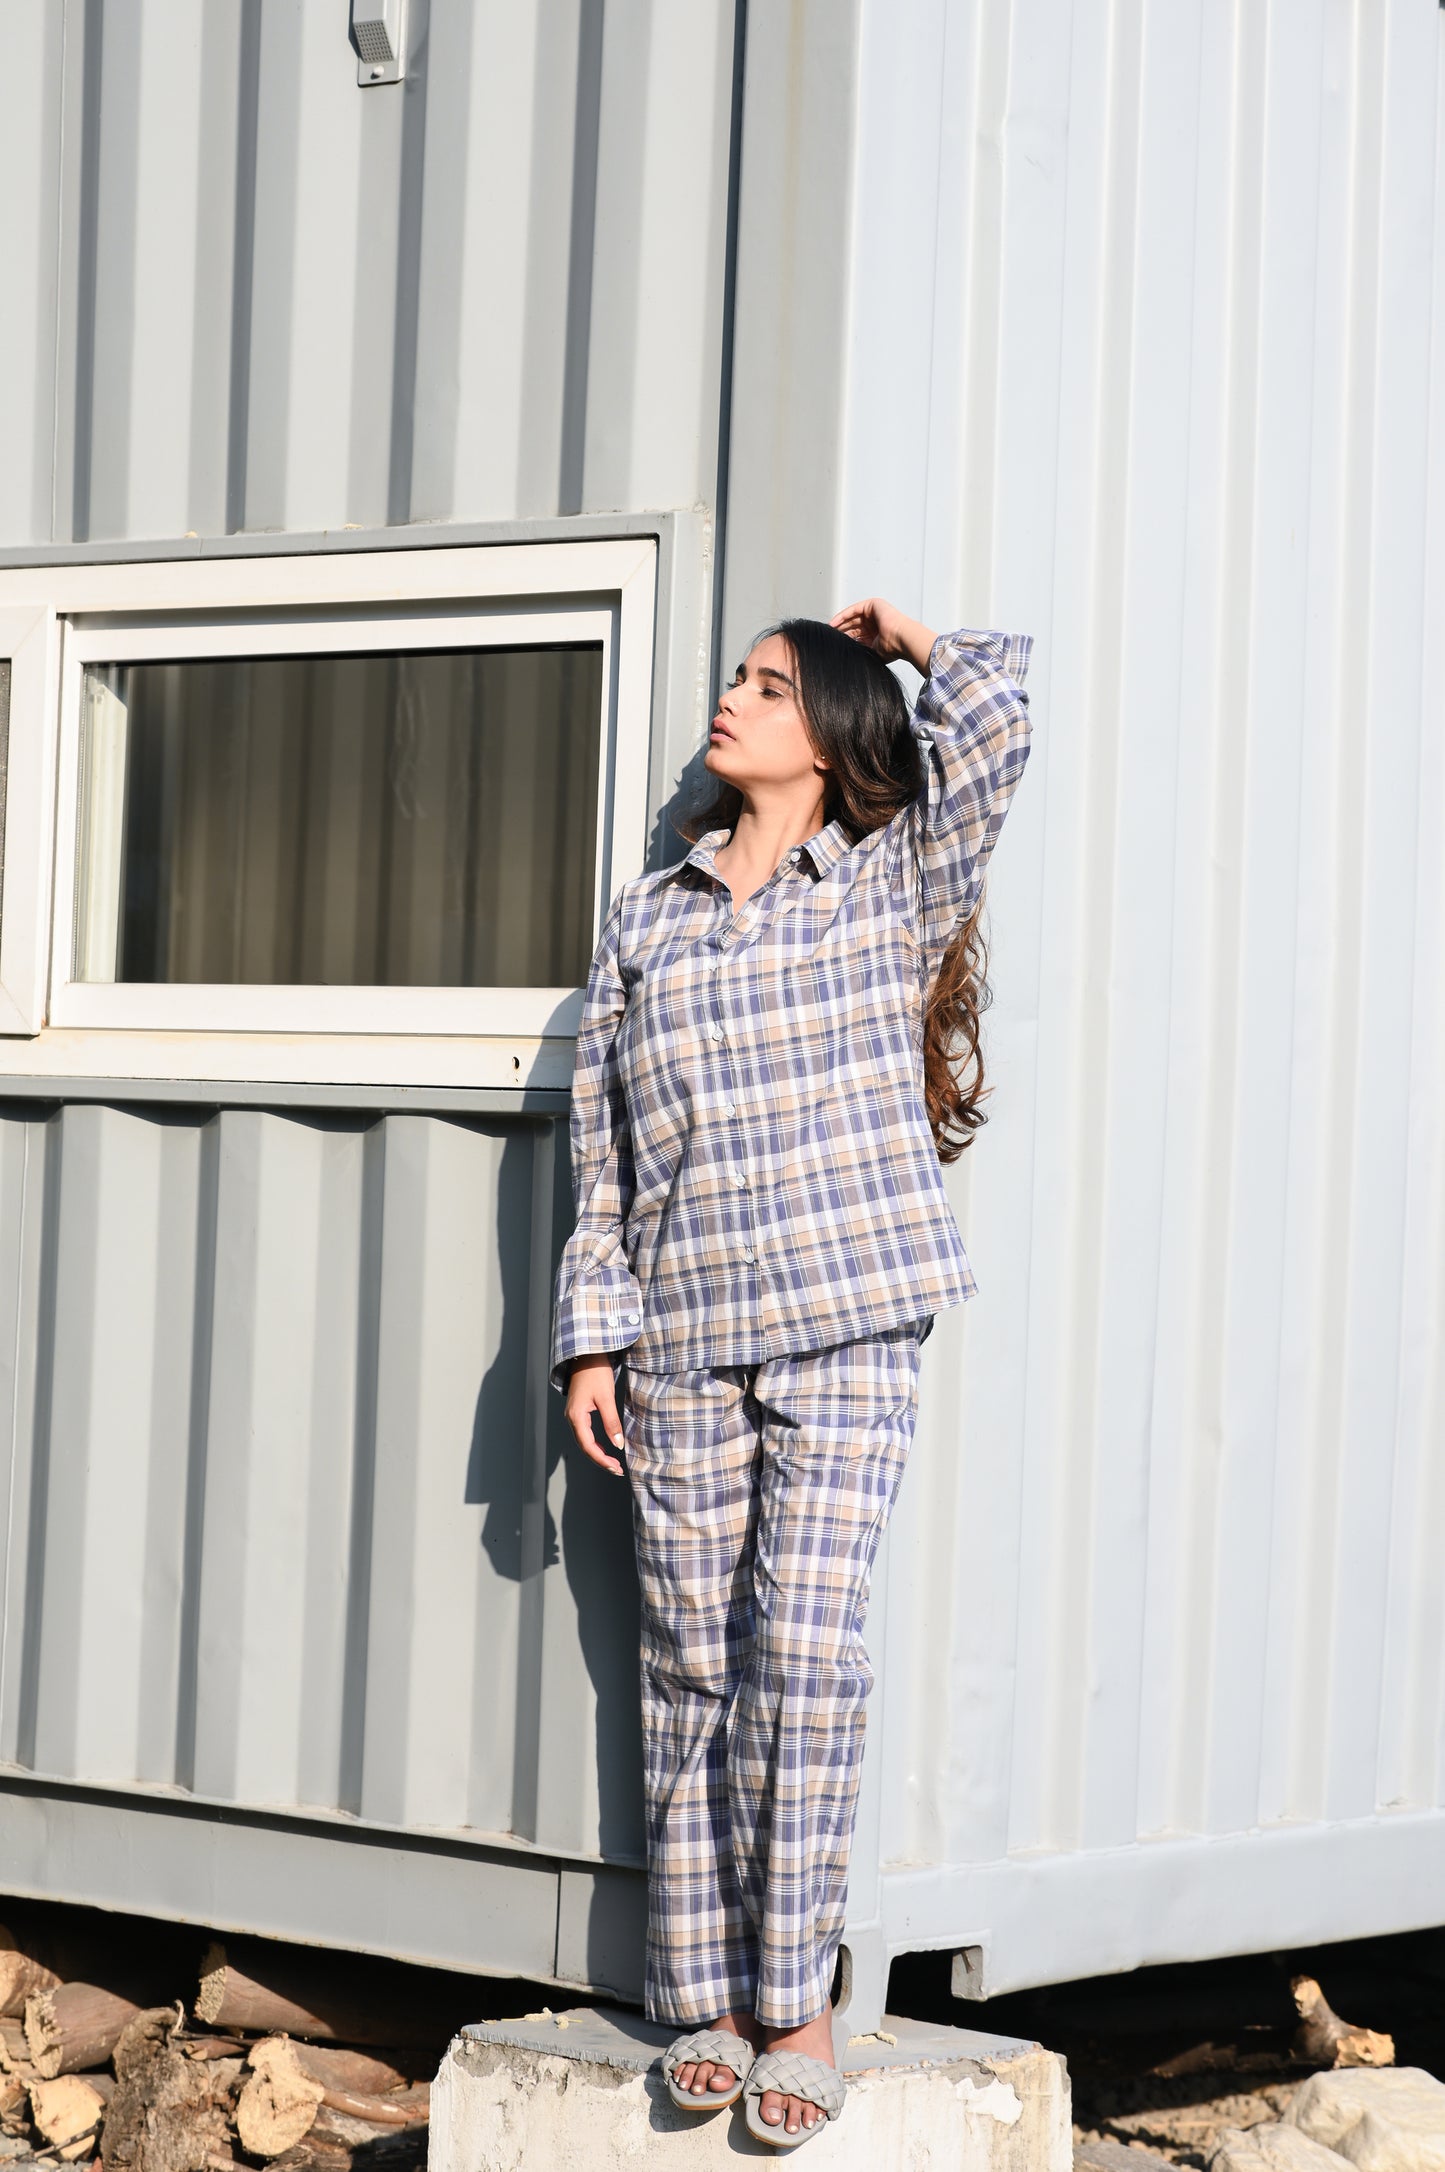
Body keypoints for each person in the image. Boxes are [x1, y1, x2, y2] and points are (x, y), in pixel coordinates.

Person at [552, 597, 1033, 2148]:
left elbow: (999, 722)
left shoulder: (887, 880)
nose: (731, 699)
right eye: (736, 679)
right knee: (692, 1656)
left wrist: (896, 630)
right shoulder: (653, 918)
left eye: (769, 686)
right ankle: (699, 1993)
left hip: (846, 1315)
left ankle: (797, 2002)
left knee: (805, 1660)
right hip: (684, 1336)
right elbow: (605, 1157)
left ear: (827, 743)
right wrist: (592, 1332)